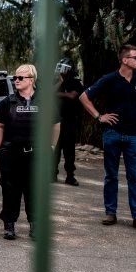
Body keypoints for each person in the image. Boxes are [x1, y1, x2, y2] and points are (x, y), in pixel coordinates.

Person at [79, 44, 136, 231]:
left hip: (134, 135)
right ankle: (110, 212)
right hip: (112, 134)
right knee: (111, 176)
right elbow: (83, 97)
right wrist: (99, 116)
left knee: (135, 177)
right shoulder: (109, 79)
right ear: (125, 60)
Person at [0, 64, 61, 240]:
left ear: (31, 80)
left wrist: (52, 147)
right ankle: (9, 225)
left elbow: (55, 125)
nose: (16, 80)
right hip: (12, 154)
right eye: (14, 78)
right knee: (10, 190)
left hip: (37, 153)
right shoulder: (7, 102)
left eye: (20, 78)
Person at [53, 58, 84, 186]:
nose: (62, 71)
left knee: (69, 150)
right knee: (55, 149)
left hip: (70, 121)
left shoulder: (76, 83)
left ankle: (70, 176)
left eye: (64, 68)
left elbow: (72, 95)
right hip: (56, 121)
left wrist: (59, 94)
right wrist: (60, 83)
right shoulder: (57, 82)